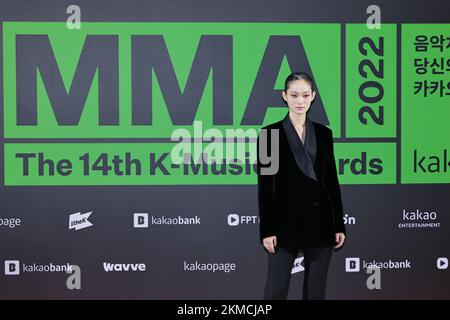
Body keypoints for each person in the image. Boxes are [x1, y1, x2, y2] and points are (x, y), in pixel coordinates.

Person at [256, 71, 346, 300]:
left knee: (315, 293)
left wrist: (339, 225)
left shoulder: (324, 134)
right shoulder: (269, 134)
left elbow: (331, 182)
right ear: (284, 96)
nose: (300, 101)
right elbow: (265, 186)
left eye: (305, 95)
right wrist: (267, 230)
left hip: (321, 222)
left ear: (313, 97)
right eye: (294, 95)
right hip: (284, 225)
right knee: (275, 291)